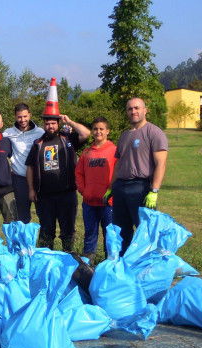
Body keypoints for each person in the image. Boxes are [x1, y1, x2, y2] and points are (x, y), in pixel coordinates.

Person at [106, 97, 169, 255]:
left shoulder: (154, 132)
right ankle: (123, 265)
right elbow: (119, 164)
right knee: (121, 231)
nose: (133, 111)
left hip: (141, 188)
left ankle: (146, 267)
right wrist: (111, 188)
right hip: (121, 188)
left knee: (145, 232)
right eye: (130, 109)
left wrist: (154, 191)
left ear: (145, 110)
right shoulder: (124, 136)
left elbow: (161, 163)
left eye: (137, 108)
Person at [26, 114, 90, 251]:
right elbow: (30, 167)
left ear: (58, 124)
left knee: (68, 230)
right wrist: (31, 189)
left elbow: (86, 133)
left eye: (53, 123)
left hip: (66, 194)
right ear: (43, 124)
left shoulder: (68, 139)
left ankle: (68, 256)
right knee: (46, 230)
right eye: (48, 123)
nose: (50, 126)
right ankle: (46, 258)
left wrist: (70, 121)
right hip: (44, 195)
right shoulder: (38, 143)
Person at [75, 117, 117, 262]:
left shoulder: (114, 151)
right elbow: (79, 173)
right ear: (92, 131)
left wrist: (112, 191)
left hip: (108, 203)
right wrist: (83, 190)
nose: (98, 132)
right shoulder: (87, 153)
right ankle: (88, 263)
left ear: (107, 131)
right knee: (90, 233)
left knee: (110, 234)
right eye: (95, 129)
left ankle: (110, 262)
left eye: (101, 129)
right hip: (89, 202)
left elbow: (118, 173)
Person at [3, 103, 44, 223]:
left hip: (38, 179)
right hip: (20, 179)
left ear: (30, 115)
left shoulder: (40, 132)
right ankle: (24, 241)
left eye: (25, 116)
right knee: (23, 216)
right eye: (19, 117)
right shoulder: (9, 133)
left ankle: (44, 240)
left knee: (43, 213)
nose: (23, 120)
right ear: (15, 116)